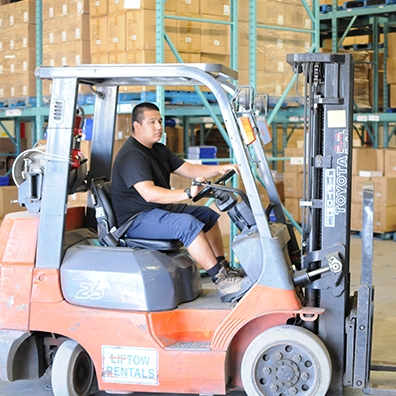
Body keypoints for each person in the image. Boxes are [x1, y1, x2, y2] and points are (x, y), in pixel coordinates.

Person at [111, 102, 252, 303]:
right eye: (152, 122)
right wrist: (188, 192)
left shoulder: (158, 149)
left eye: (159, 121)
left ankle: (223, 268)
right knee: (188, 224)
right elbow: (150, 194)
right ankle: (222, 281)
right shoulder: (132, 155)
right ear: (137, 126)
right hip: (136, 220)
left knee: (207, 216)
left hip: (156, 210)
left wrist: (221, 168)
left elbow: (189, 169)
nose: (159, 126)